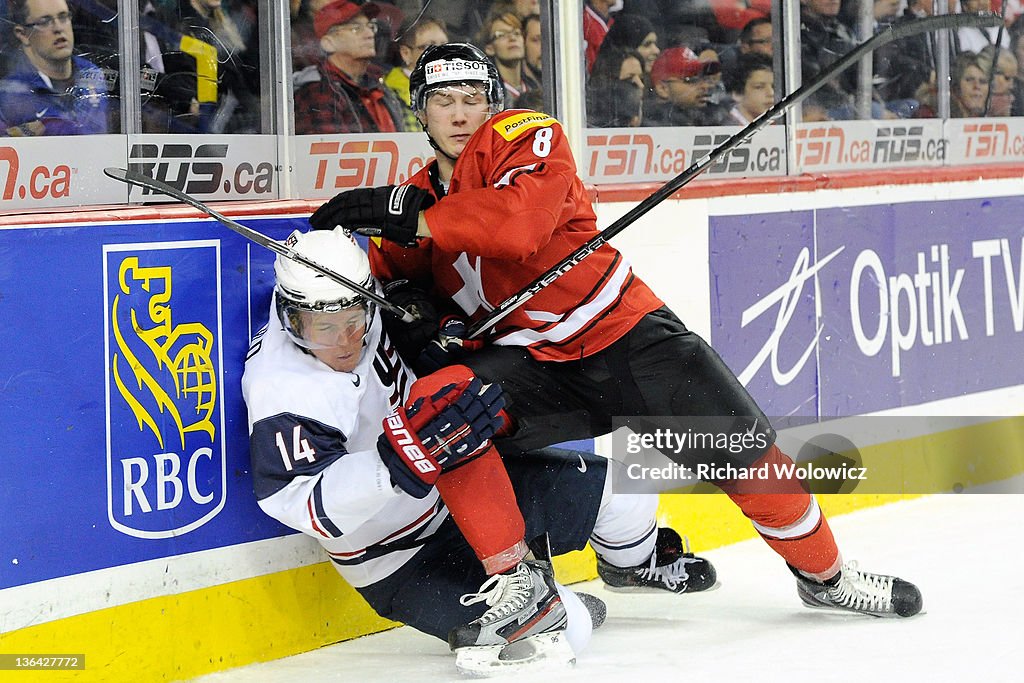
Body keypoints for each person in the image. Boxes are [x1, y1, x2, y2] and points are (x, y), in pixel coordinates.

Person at [307, 41, 925, 621]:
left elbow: (518, 226)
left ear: (493, 103)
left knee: (754, 464)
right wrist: (431, 324)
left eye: (474, 97)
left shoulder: (525, 135)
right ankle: (517, 582)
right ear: (420, 109)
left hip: (627, 335)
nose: (461, 113)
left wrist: (408, 214)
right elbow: (402, 290)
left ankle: (827, 576)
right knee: (445, 410)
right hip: (531, 360)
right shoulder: (414, 196)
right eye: (444, 100)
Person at [243, 227, 716, 673]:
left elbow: (429, 297)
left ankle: (631, 567)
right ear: (291, 318)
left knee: (625, 491)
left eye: (354, 322)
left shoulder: (364, 304)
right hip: (399, 560)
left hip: (462, 495)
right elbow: (300, 501)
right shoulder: (283, 388)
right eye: (323, 330)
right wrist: (396, 462)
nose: (345, 342)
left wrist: (438, 326)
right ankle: (539, 584)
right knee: (568, 632)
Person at [293, 0, 406, 134]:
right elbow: (328, 150)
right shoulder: (318, 92)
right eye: (355, 28)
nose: (370, 34)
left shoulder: (378, 86)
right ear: (328, 43)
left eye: (371, 26)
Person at [0, 0, 109, 136]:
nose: (58, 28)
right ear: (23, 34)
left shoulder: (92, 74)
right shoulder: (10, 93)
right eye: (44, 22)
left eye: (63, 17)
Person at [384, 16, 449, 132]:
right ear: (406, 53)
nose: (441, 53)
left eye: (445, 46)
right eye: (430, 46)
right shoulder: (390, 94)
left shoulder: (462, 89)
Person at [643, 46, 728, 127]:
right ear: (663, 88)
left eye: (703, 78)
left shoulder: (714, 116)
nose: (705, 86)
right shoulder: (650, 128)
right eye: (690, 80)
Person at [477, 11, 539, 109]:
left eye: (517, 33)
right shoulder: (488, 93)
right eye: (501, 34)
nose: (512, 38)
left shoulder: (535, 87)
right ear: (490, 48)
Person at [723, 53, 774, 124]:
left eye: (774, 87)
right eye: (759, 87)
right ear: (737, 93)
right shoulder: (721, 128)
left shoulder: (783, 123)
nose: (771, 93)